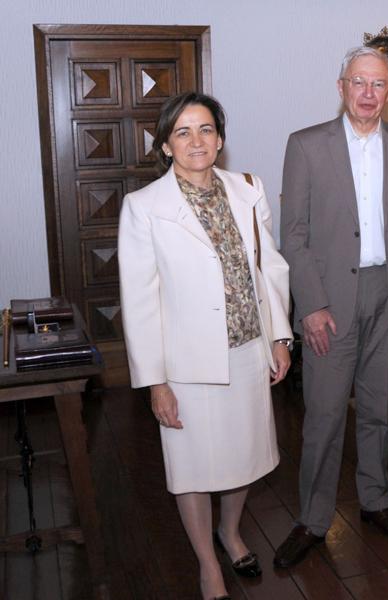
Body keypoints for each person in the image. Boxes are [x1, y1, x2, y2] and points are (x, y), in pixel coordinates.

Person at [118, 91, 293, 600]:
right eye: (183, 132)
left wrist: (280, 336)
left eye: (207, 129)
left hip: (248, 349)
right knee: (192, 466)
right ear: (167, 145)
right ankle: (205, 562)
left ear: (221, 137)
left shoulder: (247, 188)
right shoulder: (144, 208)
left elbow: (270, 269)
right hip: (185, 366)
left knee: (244, 456)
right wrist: (156, 382)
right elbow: (140, 302)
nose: (197, 141)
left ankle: (231, 531)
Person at [275, 46, 388, 567]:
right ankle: (313, 518)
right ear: (341, 86)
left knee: (377, 411)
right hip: (331, 303)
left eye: (379, 85)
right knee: (323, 415)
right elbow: (293, 236)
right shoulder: (306, 146)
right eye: (359, 83)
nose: (369, 94)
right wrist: (311, 306)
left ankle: (376, 499)